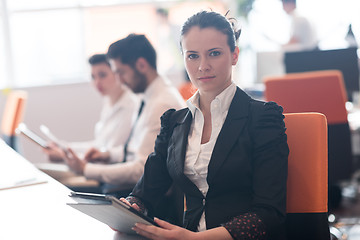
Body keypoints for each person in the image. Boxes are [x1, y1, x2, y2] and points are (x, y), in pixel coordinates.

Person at [121, 10, 289, 240]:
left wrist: (193, 239)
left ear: (234, 55)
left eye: (214, 53)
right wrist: (129, 209)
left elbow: (269, 213)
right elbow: (144, 193)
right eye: (192, 56)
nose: (203, 66)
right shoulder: (174, 122)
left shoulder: (263, 118)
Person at [62, 34, 186, 195]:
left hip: (145, 197)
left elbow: (142, 169)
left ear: (141, 65)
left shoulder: (161, 104)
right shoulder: (148, 97)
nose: (119, 80)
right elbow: (136, 150)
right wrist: (107, 154)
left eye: (121, 72)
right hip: (131, 189)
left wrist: (86, 169)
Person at [43, 53, 139, 165]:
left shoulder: (130, 106)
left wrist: (64, 156)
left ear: (117, 73)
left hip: (108, 173)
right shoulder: (108, 102)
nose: (97, 82)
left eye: (102, 75)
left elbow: (108, 155)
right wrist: (63, 146)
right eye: (93, 77)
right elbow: (98, 145)